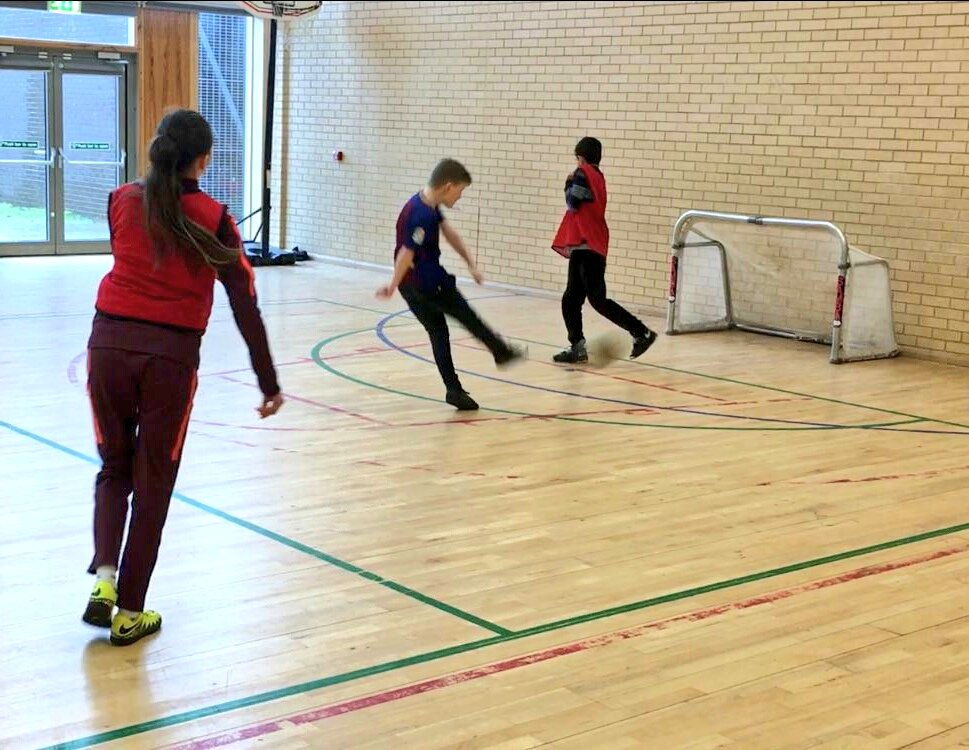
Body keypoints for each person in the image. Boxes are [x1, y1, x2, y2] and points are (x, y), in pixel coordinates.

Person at [82, 109, 284, 646]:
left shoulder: (121, 199)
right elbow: (244, 302)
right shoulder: (215, 219)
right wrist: (268, 382)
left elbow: (129, 255)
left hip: (107, 345)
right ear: (204, 160)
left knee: (114, 466)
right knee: (153, 483)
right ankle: (129, 612)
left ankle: (104, 579)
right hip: (169, 360)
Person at [377, 159, 524, 411]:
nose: (460, 196)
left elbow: (449, 233)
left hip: (410, 287)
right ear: (448, 186)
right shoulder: (422, 215)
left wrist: (470, 263)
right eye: (460, 190)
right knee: (468, 316)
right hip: (428, 283)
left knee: (438, 332)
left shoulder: (426, 203)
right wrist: (391, 285)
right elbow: (406, 253)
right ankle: (500, 351)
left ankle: (454, 389)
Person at [551, 137, 657, 363]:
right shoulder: (598, 177)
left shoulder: (582, 173)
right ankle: (577, 346)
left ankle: (641, 332)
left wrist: (568, 184)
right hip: (591, 244)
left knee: (595, 300)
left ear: (581, 157)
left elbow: (573, 202)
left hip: (587, 244)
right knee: (572, 299)